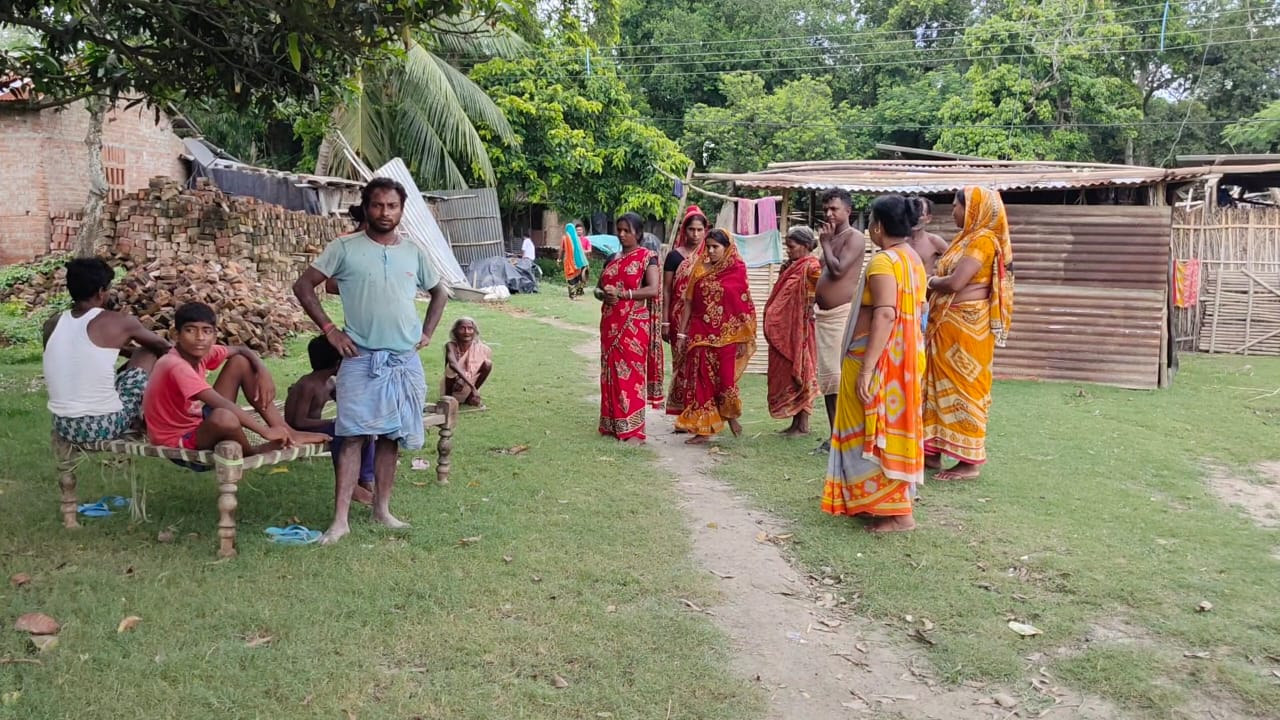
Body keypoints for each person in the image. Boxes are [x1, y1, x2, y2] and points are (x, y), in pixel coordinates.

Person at [293, 176, 449, 544]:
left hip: (403, 361)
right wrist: (331, 330)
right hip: (360, 359)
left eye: (392, 206)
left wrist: (425, 334)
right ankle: (341, 520)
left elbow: (440, 293)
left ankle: (382, 509)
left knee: (391, 437)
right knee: (350, 437)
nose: (384, 212)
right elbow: (303, 286)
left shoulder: (413, 251)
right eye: (377, 205)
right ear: (366, 207)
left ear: (401, 210)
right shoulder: (344, 248)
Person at [822, 195, 927, 533]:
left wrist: (867, 369)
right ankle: (878, 504)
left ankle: (896, 513)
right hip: (904, 363)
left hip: (875, 361)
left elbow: (884, 313)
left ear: (879, 226)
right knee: (887, 430)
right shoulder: (913, 259)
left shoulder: (884, 262)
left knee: (869, 431)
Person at [142, 302, 329, 455]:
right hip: (177, 440)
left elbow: (242, 350)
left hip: (197, 422)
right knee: (225, 417)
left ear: (215, 335)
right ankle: (252, 452)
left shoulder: (200, 352)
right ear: (176, 335)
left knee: (240, 362)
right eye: (191, 330)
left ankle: (287, 431)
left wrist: (263, 370)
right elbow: (221, 403)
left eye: (206, 331)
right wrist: (265, 432)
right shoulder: (174, 364)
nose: (200, 338)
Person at [923, 186, 1014, 481]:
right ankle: (933, 451)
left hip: (967, 330)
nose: (952, 211)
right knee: (933, 386)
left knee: (965, 387)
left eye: (956, 206)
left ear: (973, 209)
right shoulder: (965, 240)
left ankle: (969, 462)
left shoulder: (983, 241)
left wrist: (929, 280)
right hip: (945, 326)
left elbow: (956, 282)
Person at [43, 258, 172, 443]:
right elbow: (164, 348)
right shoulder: (119, 321)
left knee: (128, 364)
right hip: (102, 425)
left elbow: (84, 352)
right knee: (147, 353)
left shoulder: (51, 324)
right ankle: (154, 416)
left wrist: (127, 355)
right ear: (101, 292)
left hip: (63, 425)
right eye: (109, 288)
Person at [672, 228, 757, 445]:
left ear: (727, 248)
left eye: (715, 247)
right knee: (701, 380)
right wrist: (681, 333)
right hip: (700, 333)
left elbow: (743, 304)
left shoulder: (737, 269)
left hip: (728, 336)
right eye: (708, 246)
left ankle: (731, 416)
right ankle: (703, 430)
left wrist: (742, 337)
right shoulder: (700, 268)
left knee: (725, 382)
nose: (710, 251)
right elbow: (688, 302)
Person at [285, 335, 377, 505]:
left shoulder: (329, 383)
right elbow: (297, 421)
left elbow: (348, 405)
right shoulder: (308, 385)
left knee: (361, 429)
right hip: (299, 430)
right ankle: (350, 485)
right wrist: (332, 423)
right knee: (341, 432)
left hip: (317, 427)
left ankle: (365, 479)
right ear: (337, 363)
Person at [596, 211, 660, 444]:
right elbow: (597, 289)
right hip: (610, 323)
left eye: (627, 231)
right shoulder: (612, 258)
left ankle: (634, 429)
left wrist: (623, 294)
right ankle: (613, 423)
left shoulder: (647, 258)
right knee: (611, 374)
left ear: (639, 233)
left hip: (633, 324)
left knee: (631, 376)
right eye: (619, 230)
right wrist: (605, 296)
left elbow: (653, 290)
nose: (622, 235)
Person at [814, 188, 867, 452]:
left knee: (836, 377)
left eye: (834, 209)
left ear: (848, 210)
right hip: (823, 317)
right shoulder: (832, 237)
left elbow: (837, 270)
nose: (829, 214)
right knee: (827, 380)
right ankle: (834, 434)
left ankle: (842, 437)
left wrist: (824, 243)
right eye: (826, 209)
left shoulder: (854, 238)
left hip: (841, 315)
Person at [764, 226, 822, 436]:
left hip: (802, 330)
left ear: (805, 246)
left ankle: (803, 425)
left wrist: (810, 308)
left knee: (803, 371)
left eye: (792, 246)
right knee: (789, 372)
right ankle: (796, 424)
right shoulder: (792, 266)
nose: (788, 250)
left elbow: (821, 292)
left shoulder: (812, 267)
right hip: (786, 330)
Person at [663, 206, 708, 419]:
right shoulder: (674, 256)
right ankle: (681, 409)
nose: (696, 234)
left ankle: (696, 411)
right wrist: (664, 322)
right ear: (685, 230)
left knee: (699, 365)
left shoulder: (710, 255)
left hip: (702, 319)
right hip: (678, 318)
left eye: (700, 230)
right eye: (692, 229)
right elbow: (666, 290)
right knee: (681, 364)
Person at [442, 316, 492, 410]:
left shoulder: (480, 348)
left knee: (488, 364)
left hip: (469, 384)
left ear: (474, 331)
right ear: (455, 331)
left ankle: (470, 397)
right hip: (454, 384)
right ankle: (448, 398)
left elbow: (477, 368)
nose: (466, 332)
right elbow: (453, 365)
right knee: (450, 368)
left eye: (470, 328)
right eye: (462, 328)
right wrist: (468, 383)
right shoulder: (451, 345)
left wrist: (472, 388)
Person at [908, 197, 949, 275]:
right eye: (913, 213)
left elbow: (953, 263)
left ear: (928, 218)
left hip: (924, 286)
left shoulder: (934, 241)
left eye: (921, 214)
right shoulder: (899, 241)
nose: (916, 218)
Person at [560, 220, 591, 299]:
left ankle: (574, 293)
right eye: (577, 230)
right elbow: (562, 250)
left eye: (580, 230)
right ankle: (575, 293)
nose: (579, 231)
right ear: (574, 230)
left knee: (575, 278)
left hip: (576, 262)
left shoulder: (568, 239)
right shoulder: (575, 240)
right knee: (576, 277)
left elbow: (589, 250)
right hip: (577, 262)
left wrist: (559, 259)